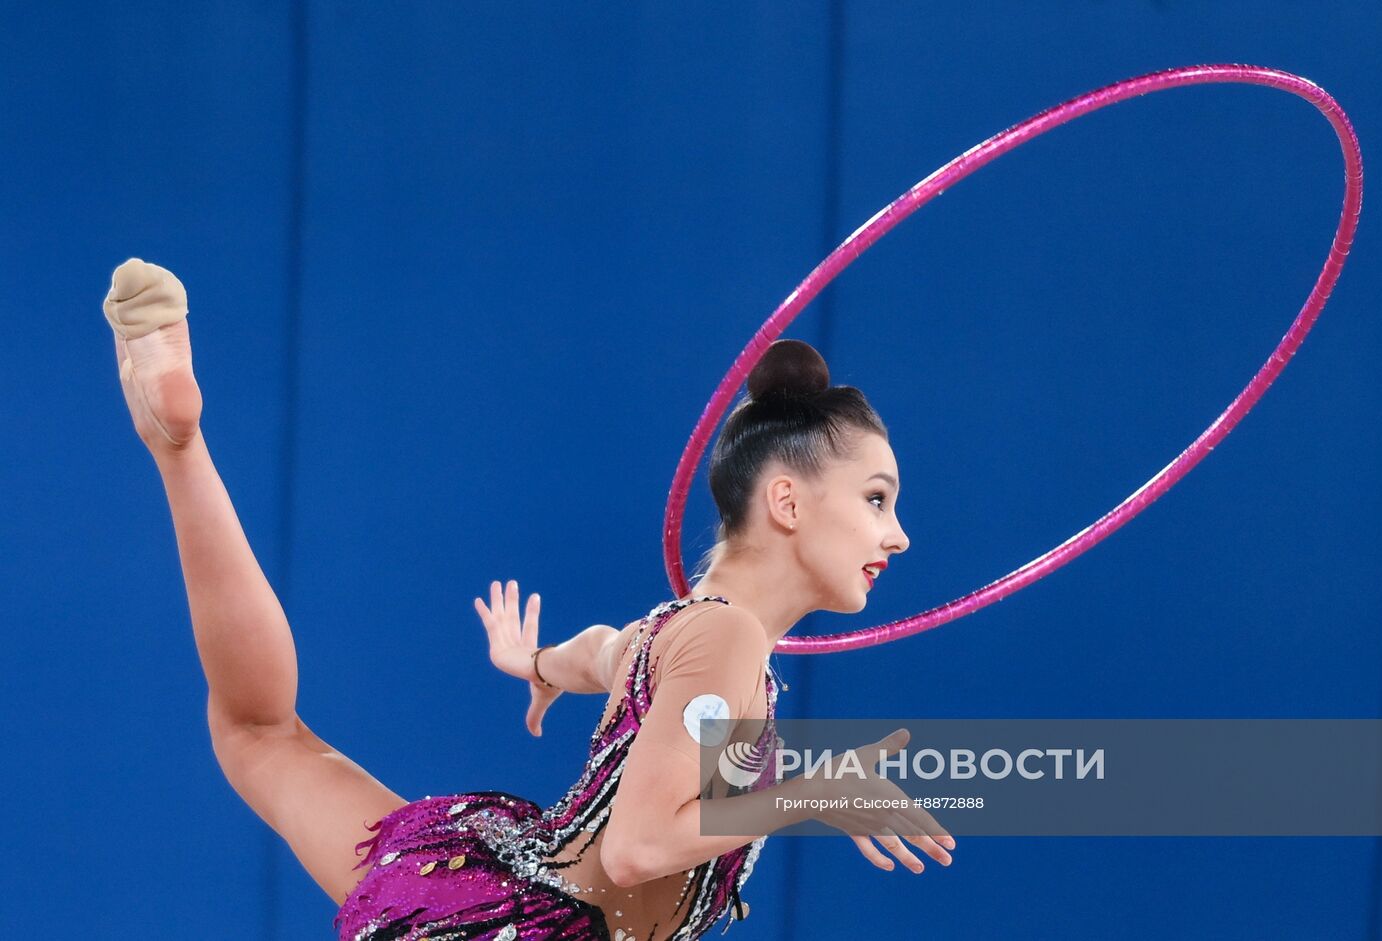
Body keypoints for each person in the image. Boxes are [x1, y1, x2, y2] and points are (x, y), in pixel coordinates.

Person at [102, 258, 955, 941]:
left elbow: (597, 653)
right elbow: (636, 848)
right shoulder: (726, 643)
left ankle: (178, 444)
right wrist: (818, 792)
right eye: (878, 498)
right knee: (261, 736)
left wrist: (535, 663)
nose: (898, 534)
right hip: (534, 919)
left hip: (487, 889)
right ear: (788, 503)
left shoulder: (676, 632)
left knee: (261, 733)